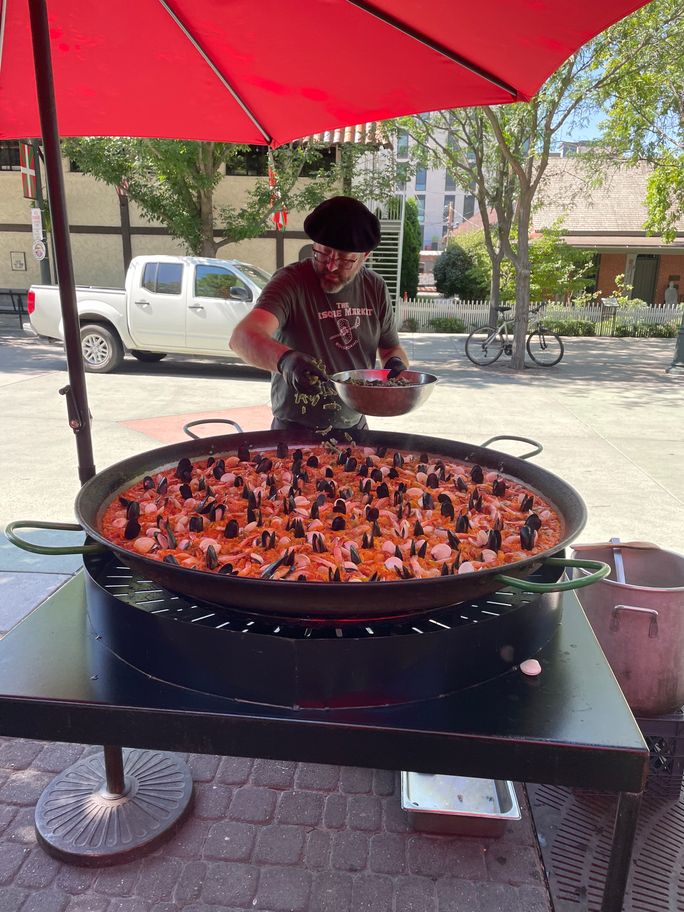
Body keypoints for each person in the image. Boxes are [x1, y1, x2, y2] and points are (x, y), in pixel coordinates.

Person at [229, 196, 409, 433]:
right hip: (293, 428)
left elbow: (390, 350)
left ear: (364, 256)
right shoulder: (290, 282)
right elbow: (242, 338)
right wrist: (286, 361)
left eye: (345, 260)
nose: (332, 266)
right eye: (323, 254)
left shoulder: (374, 288)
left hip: (355, 425)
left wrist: (396, 365)